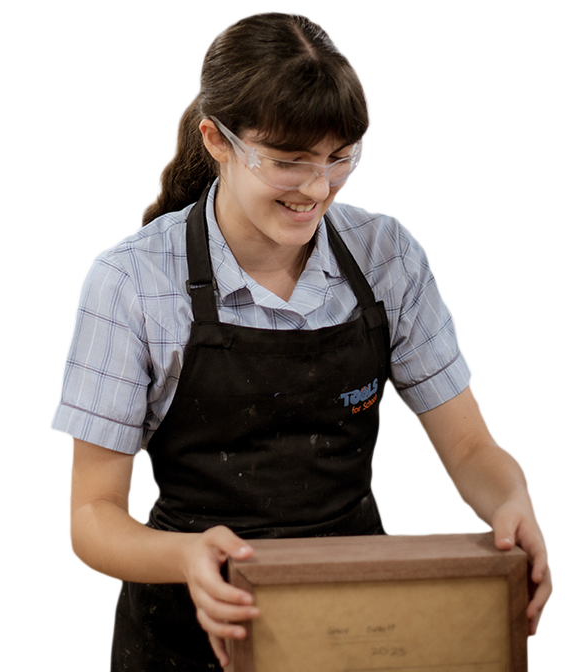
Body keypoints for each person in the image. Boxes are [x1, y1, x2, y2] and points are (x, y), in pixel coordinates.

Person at [49, 11, 552, 672]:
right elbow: (92, 512)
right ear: (217, 140)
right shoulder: (131, 281)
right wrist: (184, 555)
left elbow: (467, 447)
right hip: (183, 630)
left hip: (352, 615)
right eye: (289, 163)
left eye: (338, 158)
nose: (317, 188)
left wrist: (511, 502)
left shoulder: (385, 258)